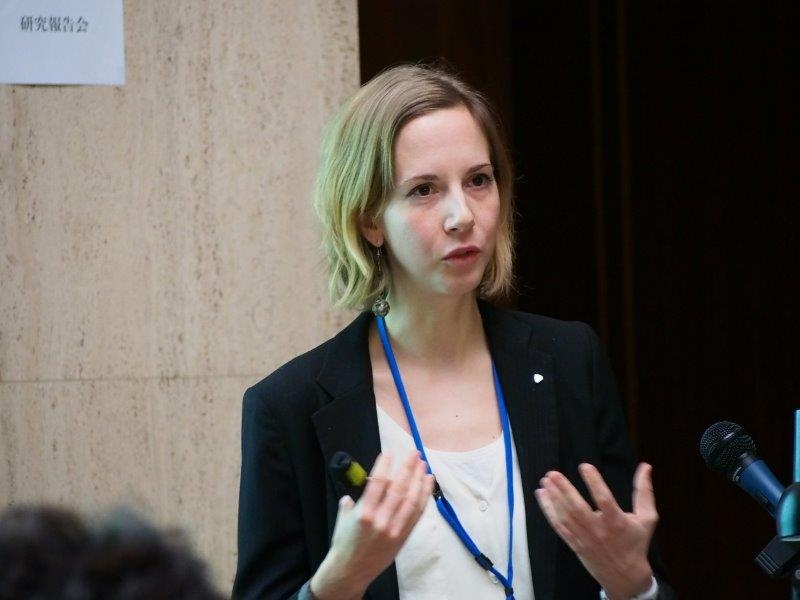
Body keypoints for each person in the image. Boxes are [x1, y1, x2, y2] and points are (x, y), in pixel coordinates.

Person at [233, 64, 674, 600]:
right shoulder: (289, 408)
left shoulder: (569, 360)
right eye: (424, 190)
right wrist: (338, 580)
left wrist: (634, 586)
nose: (462, 215)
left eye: (478, 180)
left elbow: (636, 572)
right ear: (369, 220)